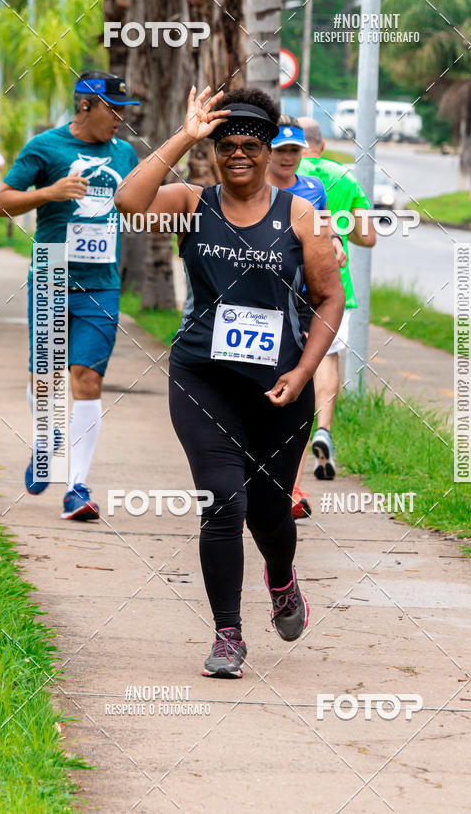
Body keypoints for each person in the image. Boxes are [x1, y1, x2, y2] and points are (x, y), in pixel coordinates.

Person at [115, 86, 344, 678]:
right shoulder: (192, 202)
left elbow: (328, 297)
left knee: (269, 514)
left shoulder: (301, 216)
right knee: (221, 502)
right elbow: (128, 202)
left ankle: (282, 579)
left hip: (279, 388)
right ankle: (228, 635)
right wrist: (185, 136)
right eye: (226, 146)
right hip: (201, 379)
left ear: (270, 151)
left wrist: (303, 372)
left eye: (250, 145)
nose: (237, 155)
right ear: (215, 151)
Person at [0, 71, 140, 521]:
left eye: (124, 111)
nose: (120, 119)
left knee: (87, 378)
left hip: (102, 282)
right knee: (49, 379)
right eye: (113, 110)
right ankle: (46, 439)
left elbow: (140, 201)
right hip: (52, 275)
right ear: (85, 107)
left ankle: (76, 486)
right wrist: (49, 193)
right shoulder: (46, 147)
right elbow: (1, 201)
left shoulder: (126, 153)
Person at [266, 114, 344, 518]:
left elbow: (325, 227)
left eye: (294, 151)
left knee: (298, 395)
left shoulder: (313, 189)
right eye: (281, 150)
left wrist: (334, 243)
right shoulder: (254, 188)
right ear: (268, 151)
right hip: (260, 303)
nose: (288, 159)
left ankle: (292, 488)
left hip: (300, 304)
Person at [296, 115, 376, 482]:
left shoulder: (282, 168)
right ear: (322, 143)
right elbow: (368, 236)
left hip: (286, 279)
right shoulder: (344, 177)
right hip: (332, 284)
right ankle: (323, 430)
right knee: (326, 357)